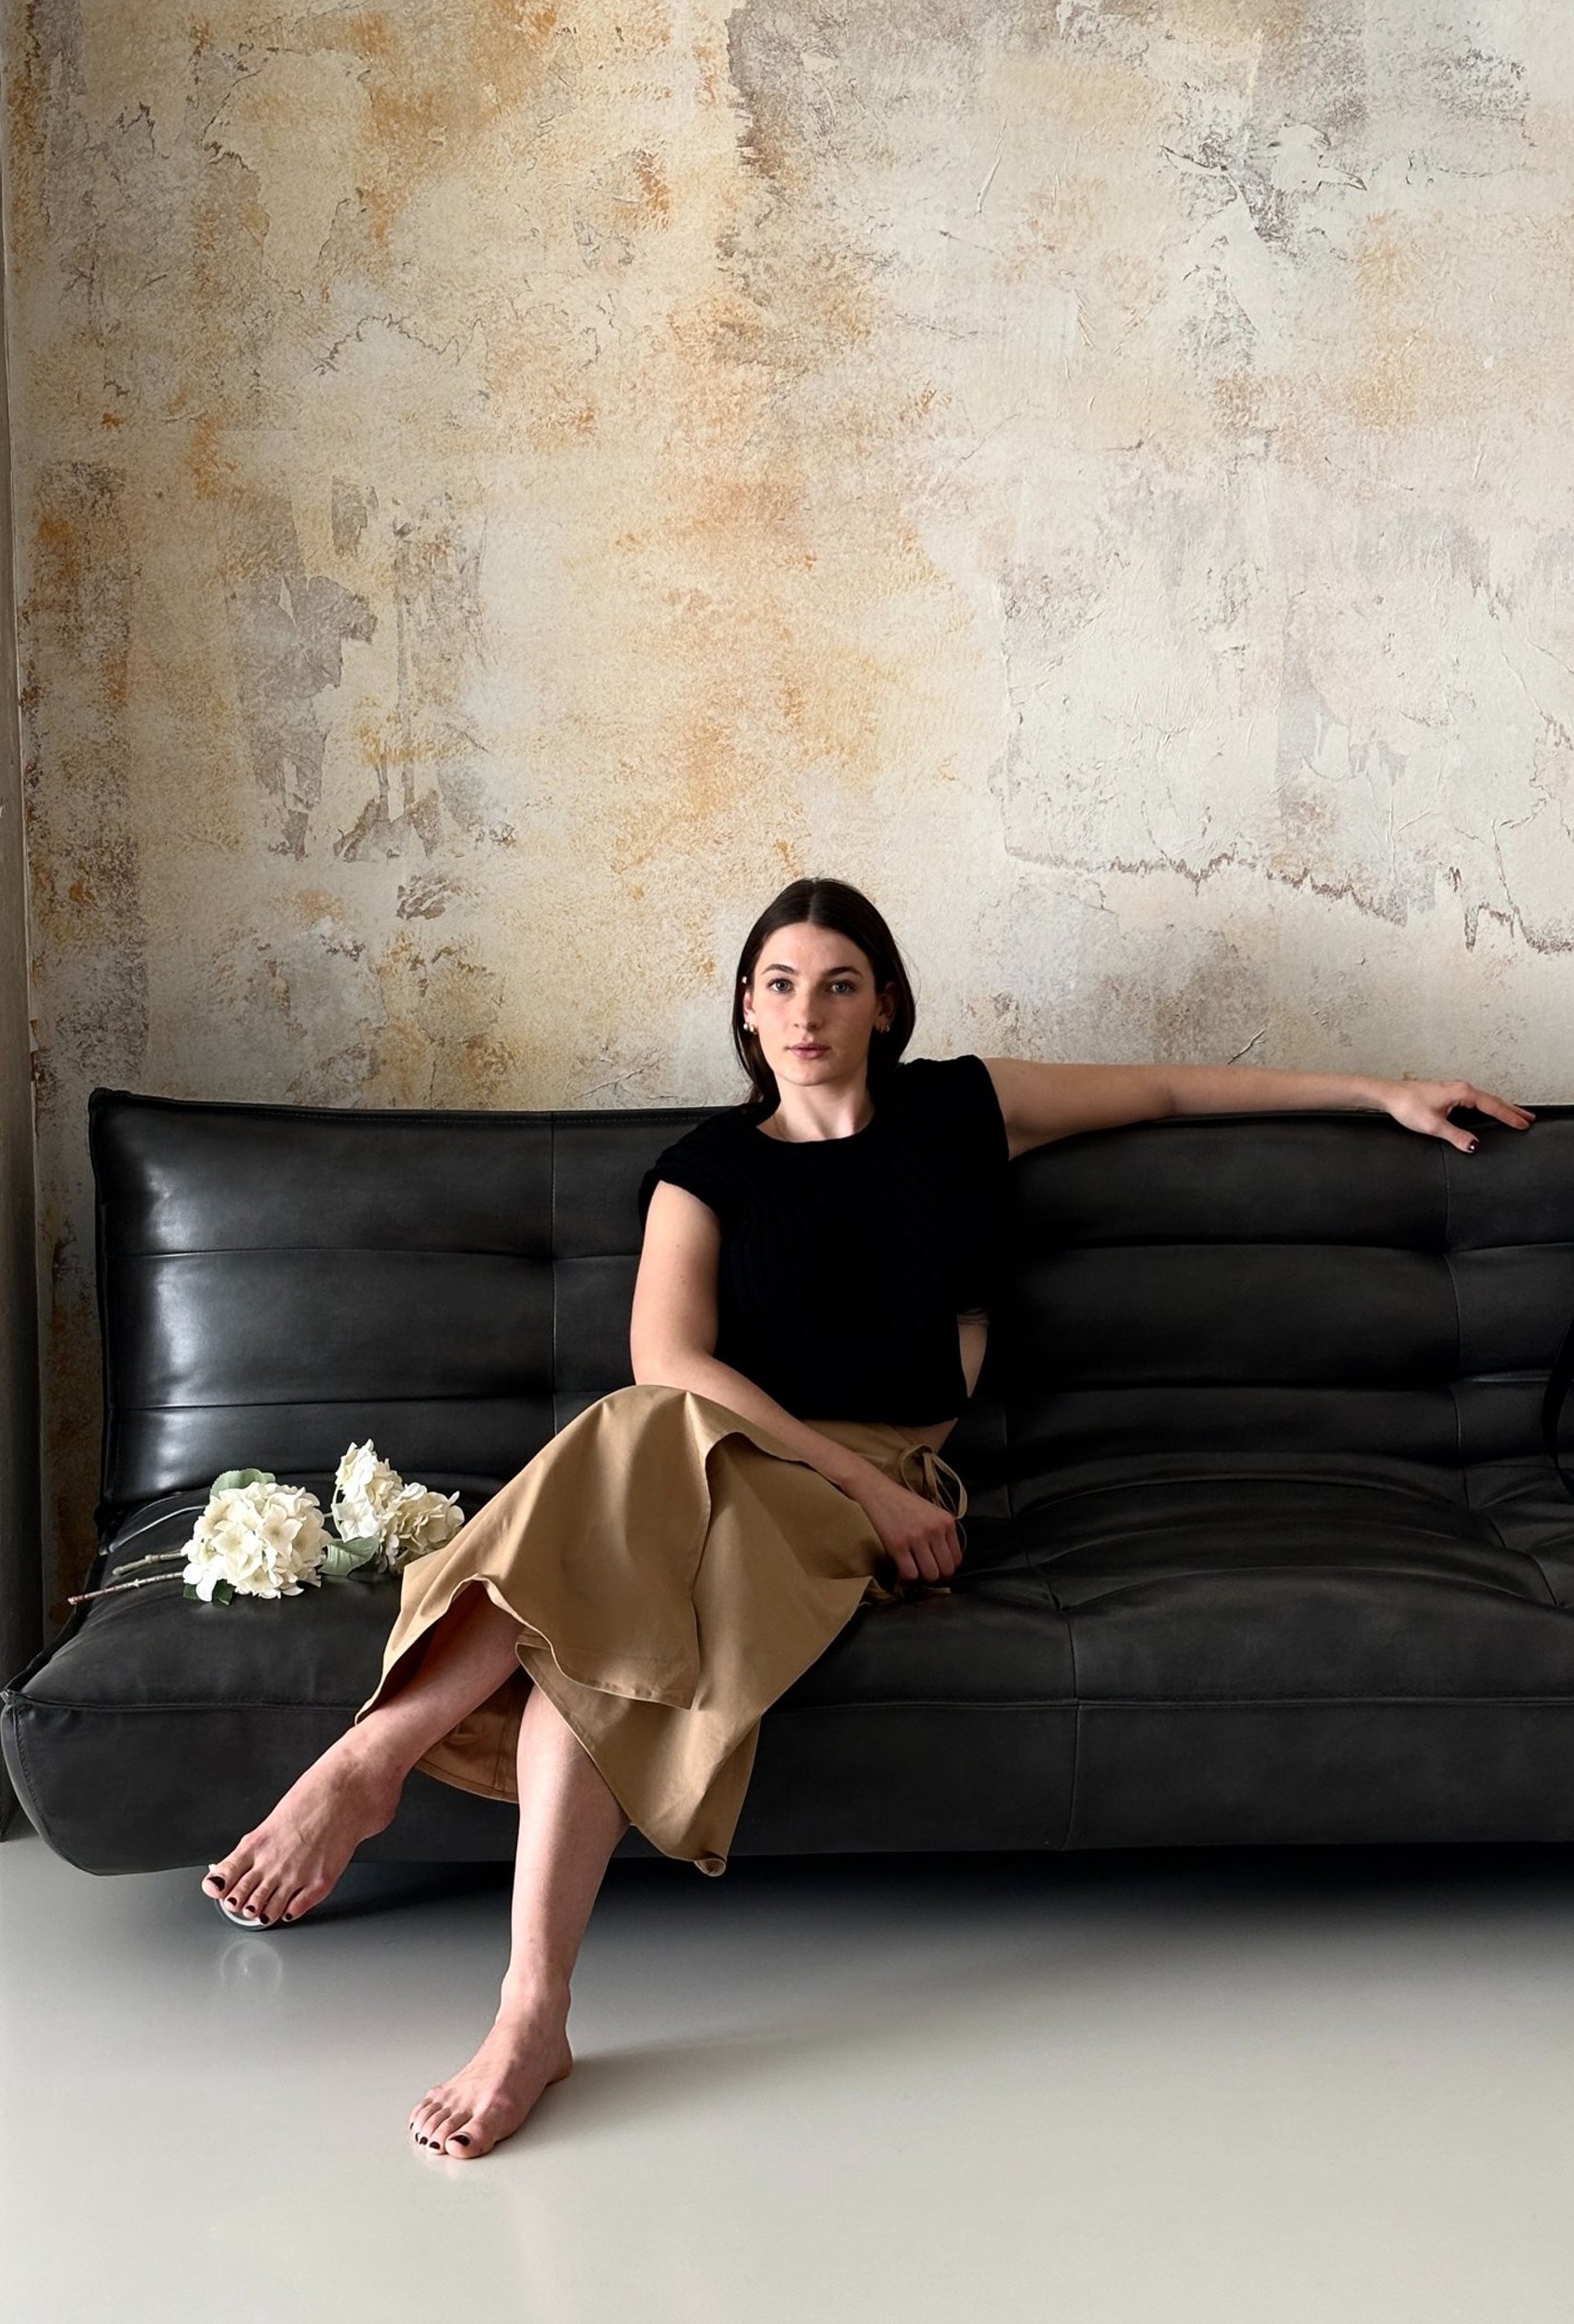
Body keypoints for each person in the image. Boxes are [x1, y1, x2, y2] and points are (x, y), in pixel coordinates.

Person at [200, 875, 1534, 2157]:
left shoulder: (964, 1111)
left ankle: (390, 1771)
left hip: (854, 1474)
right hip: (747, 1457)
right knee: (627, 1477)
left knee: (605, 1571)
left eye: (839, 985)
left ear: (886, 1006)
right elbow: (668, 1366)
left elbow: (1180, 1086)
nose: (806, 1011)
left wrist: (1382, 1089)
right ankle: (519, 2002)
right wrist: (868, 1491)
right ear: (743, 1008)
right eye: (778, 983)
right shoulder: (707, 1169)